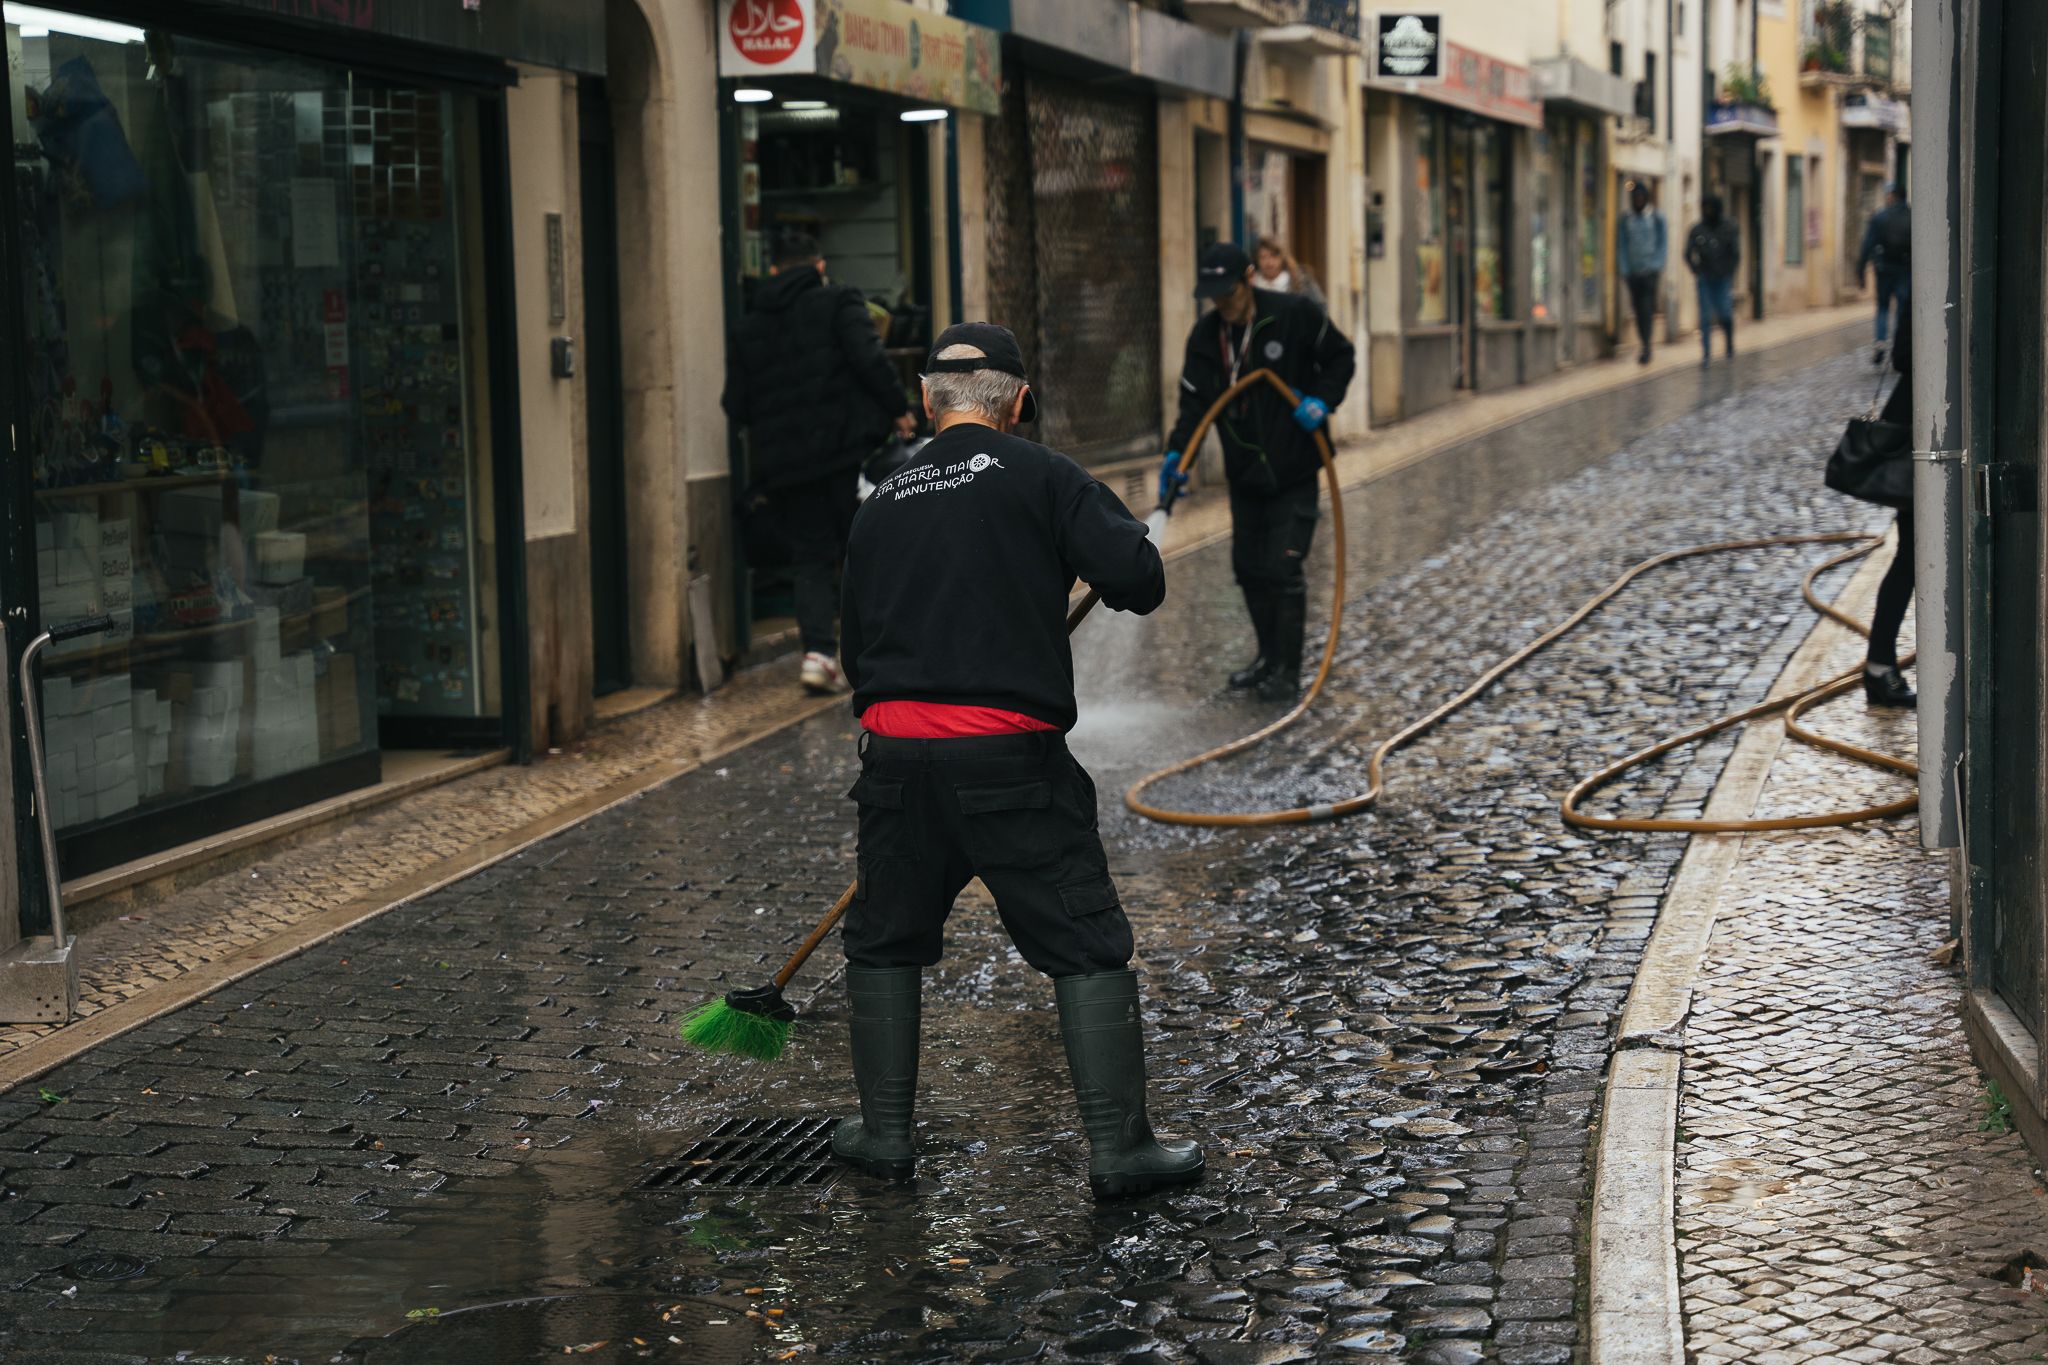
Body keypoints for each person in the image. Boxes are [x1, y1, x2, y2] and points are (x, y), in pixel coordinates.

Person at [834, 322, 1203, 1200]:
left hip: (895, 758)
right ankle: (1119, 1149)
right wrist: (1100, 563)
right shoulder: (1044, 476)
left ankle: (884, 1133)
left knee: (884, 939)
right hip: (1008, 761)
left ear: (927, 402)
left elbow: (856, 638)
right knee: (1084, 942)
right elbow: (1139, 576)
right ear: (1021, 403)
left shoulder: (881, 496)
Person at [1161, 241, 1356, 703]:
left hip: (1294, 465)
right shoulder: (1206, 337)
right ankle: (1267, 657)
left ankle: (1288, 672)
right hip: (1245, 471)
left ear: (1248, 279)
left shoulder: (1294, 315)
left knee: (1283, 566)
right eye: (1213, 296)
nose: (1221, 304)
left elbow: (1341, 357)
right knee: (1248, 568)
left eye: (1227, 292)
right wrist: (1176, 455)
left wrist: (1322, 400)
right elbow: (1193, 406)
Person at [723, 231, 916, 695]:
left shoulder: (749, 325)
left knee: (810, 554)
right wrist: (899, 408)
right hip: (841, 450)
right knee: (863, 543)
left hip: (786, 463)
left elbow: (737, 403)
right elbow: (869, 359)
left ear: (773, 270)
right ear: (819, 266)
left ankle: (818, 656)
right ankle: (880, 648)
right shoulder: (838, 302)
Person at [1864, 311, 1916, 707]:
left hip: (1920, 432)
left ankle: (1880, 665)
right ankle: (1879, 666)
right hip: (1916, 440)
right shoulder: (1930, 271)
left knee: (1911, 557)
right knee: (1912, 556)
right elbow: (1903, 356)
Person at [1857, 182, 1911, 366]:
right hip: (1904, 269)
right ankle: (1898, 343)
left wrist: (1861, 270)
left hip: (1884, 269)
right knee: (1902, 308)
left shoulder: (1880, 217)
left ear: (1892, 196)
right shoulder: (1912, 217)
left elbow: (1867, 244)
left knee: (1882, 307)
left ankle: (1880, 343)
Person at [1684, 195, 1741, 366]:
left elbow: (1735, 252)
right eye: (1704, 208)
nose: (1707, 211)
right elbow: (1687, 252)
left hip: (1722, 278)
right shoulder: (1697, 230)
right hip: (1705, 278)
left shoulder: (1728, 227)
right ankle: (1706, 353)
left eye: (1710, 208)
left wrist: (1730, 271)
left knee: (1725, 312)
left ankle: (1729, 343)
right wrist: (1696, 269)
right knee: (1705, 316)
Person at [1616, 182, 1668, 365]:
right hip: (1633, 273)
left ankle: (1646, 345)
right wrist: (1625, 270)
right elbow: (1621, 246)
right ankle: (1645, 342)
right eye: (1635, 198)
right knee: (1638, 310)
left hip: (1650, 273)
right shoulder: (1626, 219)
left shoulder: (1655, 217)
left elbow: (1662, 244)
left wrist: (1655, 267)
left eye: (1640, 197)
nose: (1638, 201)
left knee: (1646, 309)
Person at [1253, 233, 1326, 310]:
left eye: (1273, 256)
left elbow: (1320, 308)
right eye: (1263, 257)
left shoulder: (1302, 282)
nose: (1269, 263)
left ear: (1281, 257)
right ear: (1257, 260)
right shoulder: (1252, 285)